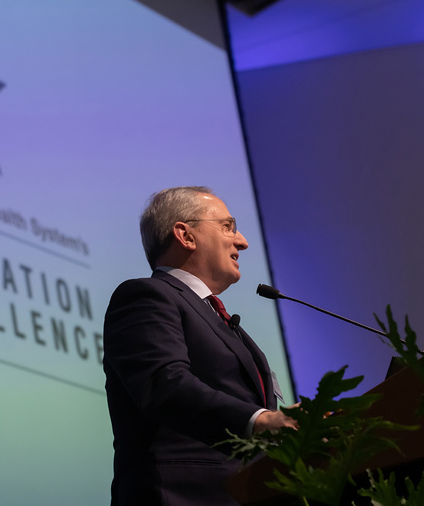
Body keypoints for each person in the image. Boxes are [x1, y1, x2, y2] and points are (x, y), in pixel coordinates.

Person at [103, 186, 297, 505]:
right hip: (181, 495)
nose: (242, 241)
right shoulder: (146, 296)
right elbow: (165, 385)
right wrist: (260, 421)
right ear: (186, 236)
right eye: (227, 226)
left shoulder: (219, 319)